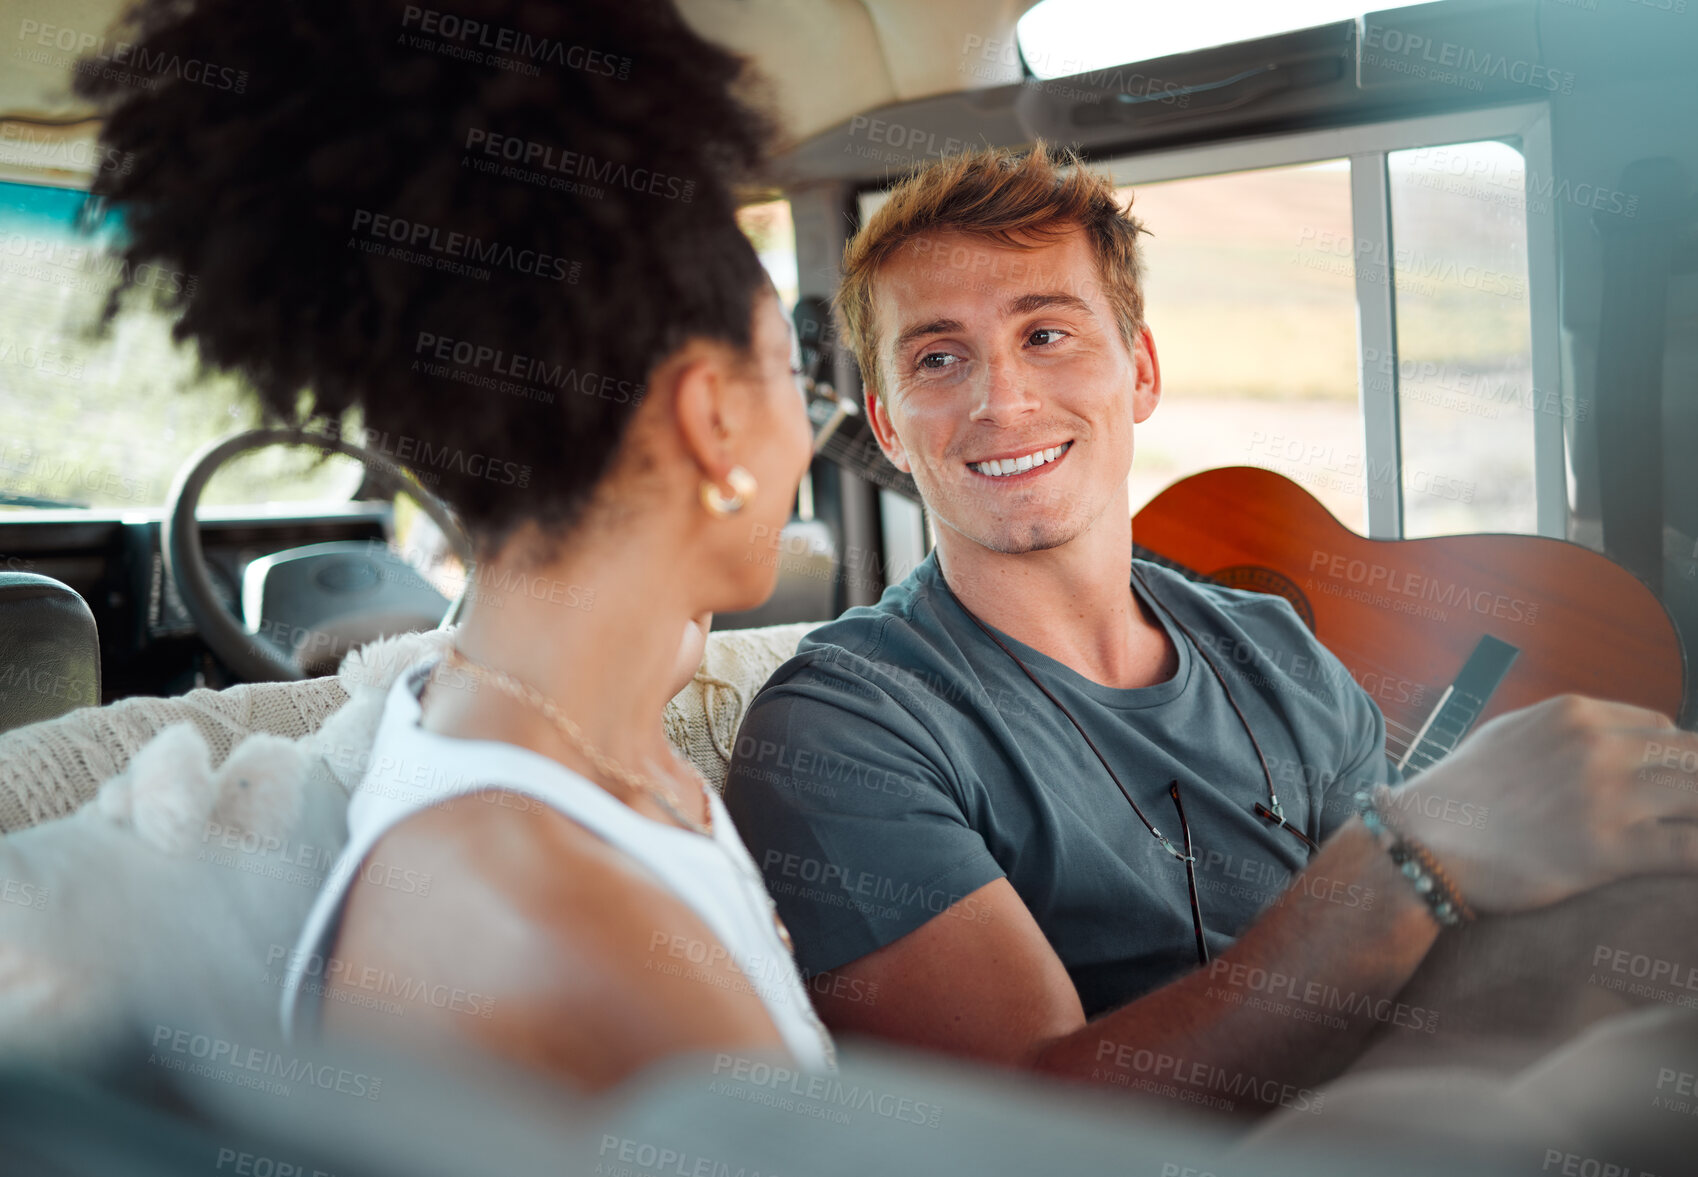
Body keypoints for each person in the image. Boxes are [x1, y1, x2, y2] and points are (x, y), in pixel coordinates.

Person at [723, 143, 1698, 1109]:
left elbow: (1419, 984)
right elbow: (1026, 1128)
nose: (1002, 401)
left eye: (1048, 334)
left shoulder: (1277, 649)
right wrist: (1411, 851)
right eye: (938, 358)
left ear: (1140, 371)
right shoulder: (844, 728)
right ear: (888, 425)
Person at [76, 0, 830, 1088]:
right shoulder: (564, 910)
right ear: (713, 419)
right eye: (796, 381)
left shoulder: (511, 704)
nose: (811, 426)